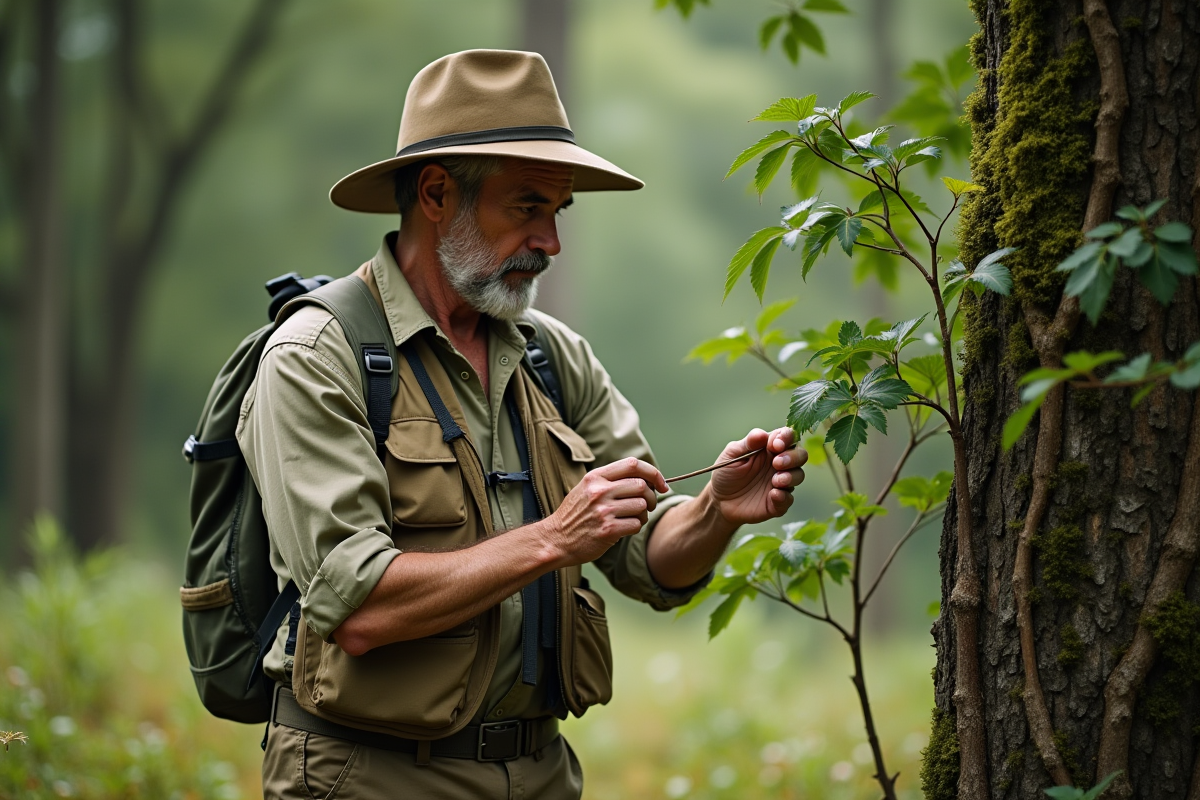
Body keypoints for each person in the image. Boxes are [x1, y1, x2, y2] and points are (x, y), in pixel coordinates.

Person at [237, 48, 808, 799]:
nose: (551, 241)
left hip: (539, 775)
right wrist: (553, 539)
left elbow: (647, 560)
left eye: (557, 211)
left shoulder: (551, 356)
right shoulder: (316, 356)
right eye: (527, 206)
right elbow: (360, 608)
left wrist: (714, 512)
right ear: (437, 193)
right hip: (366, 775)